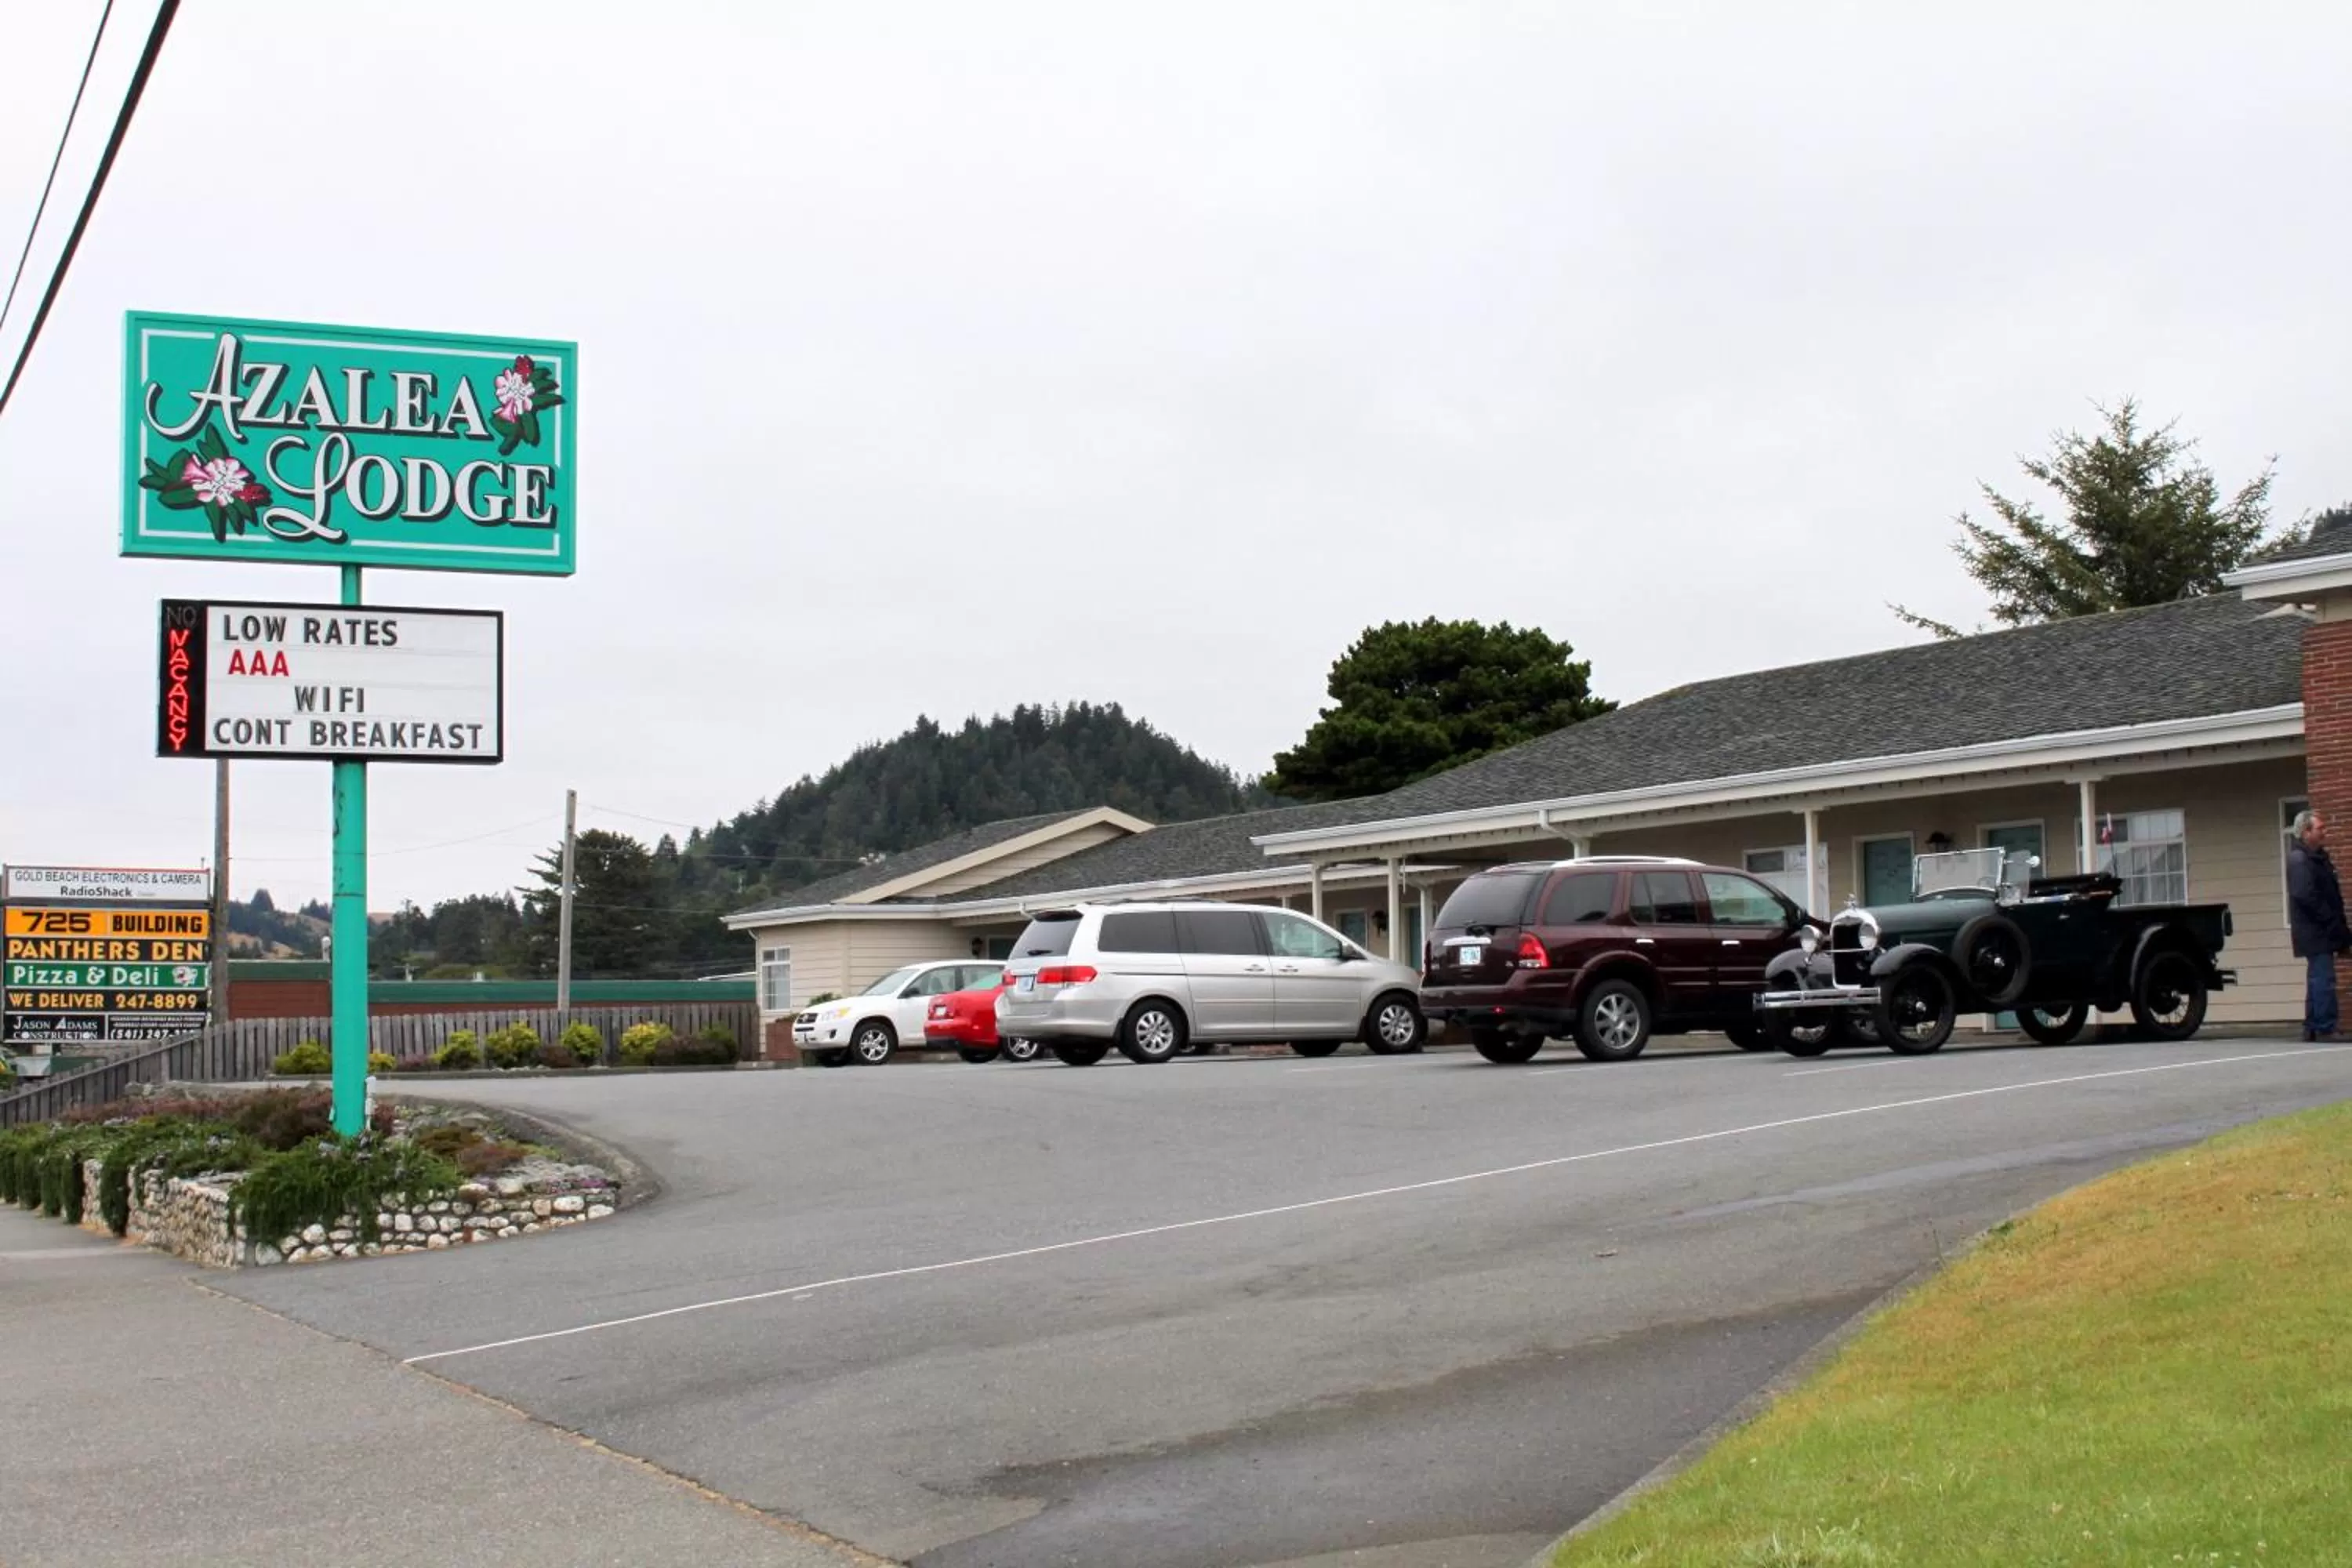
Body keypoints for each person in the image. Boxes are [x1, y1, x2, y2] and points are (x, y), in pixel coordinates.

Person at [2285, 808, 2350, 1040]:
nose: (2325, 832)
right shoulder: (2299, 859)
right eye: (2320, 828)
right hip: (2315, 931)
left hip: (2320, 930)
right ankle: (2325, 1027)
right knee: (2323, 978)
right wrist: (2330, 920)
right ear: (2306, 832)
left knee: (2318, 977)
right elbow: (2305, 895)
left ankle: (2313, 1026)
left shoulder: (2317, 858)